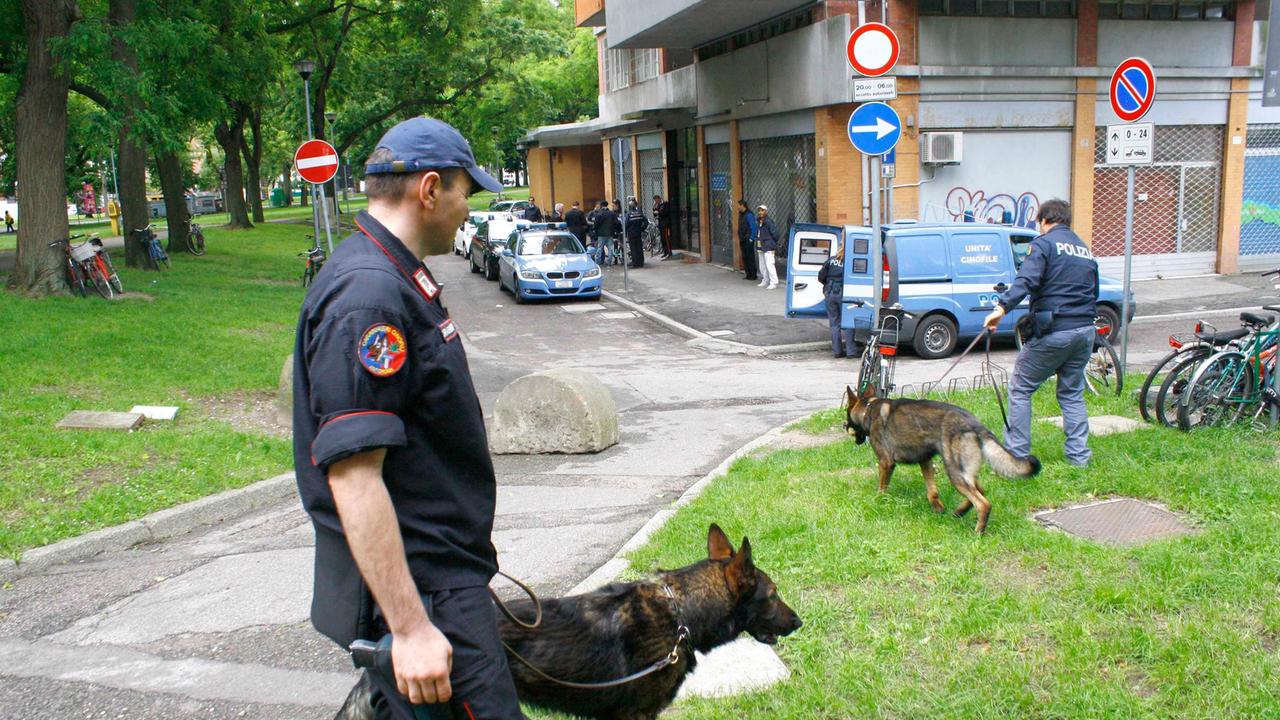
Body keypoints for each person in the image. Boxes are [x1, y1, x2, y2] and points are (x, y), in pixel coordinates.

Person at [291, 117, 524, 720]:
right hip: (428, 595)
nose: (466, 212)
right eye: (463, 194)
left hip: (441, 584)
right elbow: (354, 476)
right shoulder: (368, 294)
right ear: (428, 190)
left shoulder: (389, 272)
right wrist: (413, 628)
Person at [983, 198, 1099, 468]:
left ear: (1044, 221)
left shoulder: (1043, 244)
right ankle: (1079, 458)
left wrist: (1001, 308)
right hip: (1084, 330)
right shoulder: (1085, 250)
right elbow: (1093, 292)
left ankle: (1016, 455)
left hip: (1055, 330)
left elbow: (1027, 279)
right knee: (1072, 393)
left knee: (1021, 387)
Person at [818, 244, 856, 358]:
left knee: (834, 323)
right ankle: (851, 352)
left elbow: (820, 276)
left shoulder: (831, 261)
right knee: (849, 322)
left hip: (830, 292)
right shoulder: (851, 262)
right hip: (845, 293)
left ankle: (837, 352)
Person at [755, 205, 780, 290]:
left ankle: (774, 282)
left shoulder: (768, 222)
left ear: (766, 211)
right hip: (760, 245)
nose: (760, 212)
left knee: (770, 264)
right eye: (759, 210)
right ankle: (765, 280)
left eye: (762, 210)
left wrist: (771, 242)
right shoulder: (759, 221)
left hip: (768, 246)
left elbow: (776, 234)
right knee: (762, 265)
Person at [591, 199, 619, 265]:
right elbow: (616, 223)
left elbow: (596, 224)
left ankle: (597, 261)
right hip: (610, 233)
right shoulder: (612, 213)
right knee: (610, 248)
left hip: (601, 234)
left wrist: (595, 230)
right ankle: (609, 261)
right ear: (607, 205)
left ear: (601, 205)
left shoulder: (599, 214)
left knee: (600, 248)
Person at [737, 200, 758, 281]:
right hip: (742, 239)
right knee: (745, 257)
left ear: (743, 205)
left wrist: (751, 239)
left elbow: (753, 227)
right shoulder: (741, 215)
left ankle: (753, 275)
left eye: (739, 205)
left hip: (748, 239)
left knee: (750, 257)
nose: (738, 207)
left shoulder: (749, 215)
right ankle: (748, 274)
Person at [624, 197, 648, 269]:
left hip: (631, 233)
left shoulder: (629, 214)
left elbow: (626, 224)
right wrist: (642, 228)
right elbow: (646, 222)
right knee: (639, 248)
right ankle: (641, 262)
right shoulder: (639, 213)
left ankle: (635, 263)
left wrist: (625, 233)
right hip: (638, 233)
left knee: (633, 249)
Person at [652, 195, 672, 260]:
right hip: (660, 223)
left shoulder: (665, 204)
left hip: (665, 223)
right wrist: (654, 207)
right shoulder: (657, 205)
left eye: (656, 200)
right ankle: (665, 252)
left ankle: (669, 252)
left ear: (659, 199)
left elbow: (666, 212)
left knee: (666, 237)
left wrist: (659, 212)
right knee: (662, 239)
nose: (656, 201)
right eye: (655, 201)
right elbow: (655, 214)